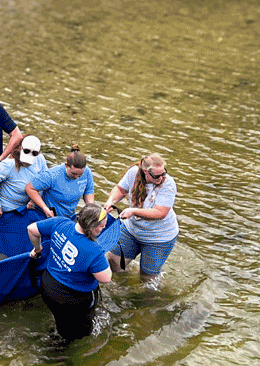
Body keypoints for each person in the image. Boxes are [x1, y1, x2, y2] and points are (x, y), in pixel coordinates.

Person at [27, 203, 112, 343]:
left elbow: (31, 229)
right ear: (92, 226)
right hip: (73, 297)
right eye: (102, 226)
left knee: (60, 318)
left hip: (48, 285)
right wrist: (104, 259)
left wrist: (37, 249)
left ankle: (57, 332)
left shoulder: (61, 222)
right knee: (79, 334)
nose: (103, 229)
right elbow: (105, 278)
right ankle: (59, 351)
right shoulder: (94, 249)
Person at [103, 154, 178, 281]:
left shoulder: (168, 184)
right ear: (145, 172)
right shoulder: (133, 173)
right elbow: (120, 189)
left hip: (159, 237)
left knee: (147, 278)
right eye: (156, 176)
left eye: (163, 174)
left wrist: (134, 211)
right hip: (131, 229)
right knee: (114, 263)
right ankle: (122, 285)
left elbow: (160, 213)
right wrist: (111, 201)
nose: (161, 178)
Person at [26, 144, 95, 218]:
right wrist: (44, 208)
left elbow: (89, 192)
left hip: (69, 216)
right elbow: (30, 188)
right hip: (49, 216)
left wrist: (91, 210)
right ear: (66, 166)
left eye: (80, 174)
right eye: (73, 173)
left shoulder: (87, 172)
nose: (76, 177)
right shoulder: (52, 175)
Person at [0, 135, 47, 215]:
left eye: (34, 153)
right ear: (20, 149)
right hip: (6, 210)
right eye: (26, 152)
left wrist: (35, 199)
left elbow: (45, 180)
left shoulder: (40, 160)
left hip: (27, 209)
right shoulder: (8, 165)